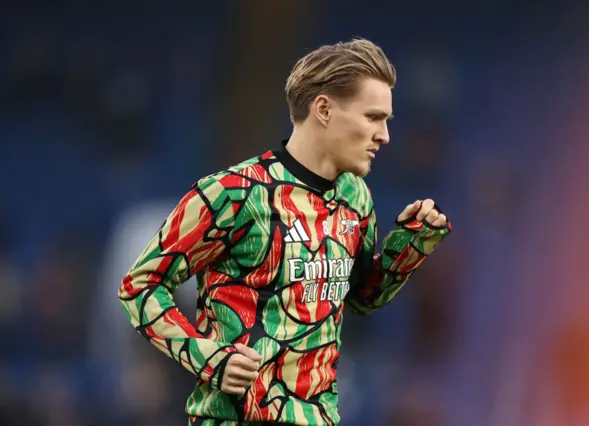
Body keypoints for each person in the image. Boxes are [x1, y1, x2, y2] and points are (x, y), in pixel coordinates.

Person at [118, 37, 452, 426]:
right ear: (324, 109)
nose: (384, 135)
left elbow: (361, 296)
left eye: (386, 121)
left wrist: (411, 244)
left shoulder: (355, 196)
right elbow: (139, 285)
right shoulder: (232, 193)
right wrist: (207, 358)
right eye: (372, 117)